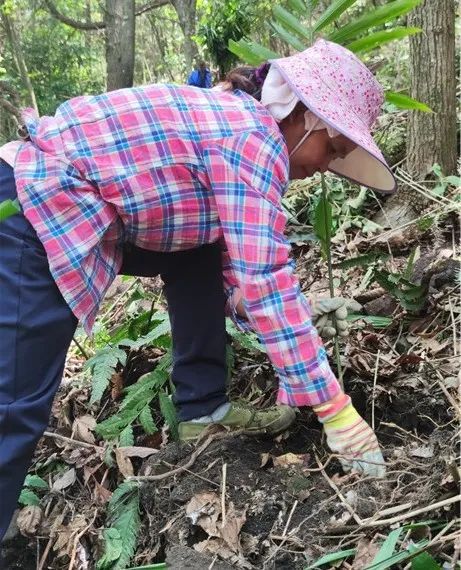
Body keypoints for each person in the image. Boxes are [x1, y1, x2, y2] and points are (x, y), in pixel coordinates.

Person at [0, 39, 396, 546]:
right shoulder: (253, 137)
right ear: (305, 117)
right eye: (333, 149)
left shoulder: (236, 122)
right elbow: (266, 279)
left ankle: (204, 410)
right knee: (15, 402)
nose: (326, 165)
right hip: (34, 202)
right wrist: (335, 409)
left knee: (199, 251)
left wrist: (305, 312)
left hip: (74, 203)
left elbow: (236, 273)